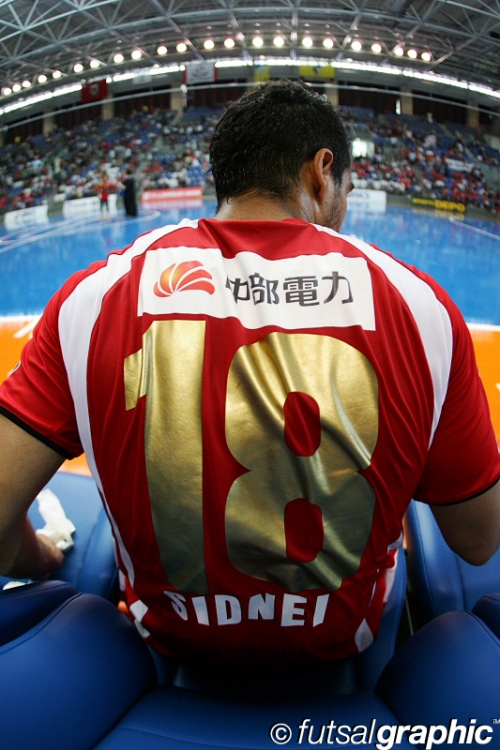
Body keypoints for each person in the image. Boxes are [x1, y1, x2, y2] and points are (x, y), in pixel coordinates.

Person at [0, 80, 499, 673]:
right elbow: (478, 539)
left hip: (166, 647)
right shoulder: (420, 307)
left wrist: (41, 560)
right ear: (322, 173)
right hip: (345, 652)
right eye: (346, 189)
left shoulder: (93, 298)